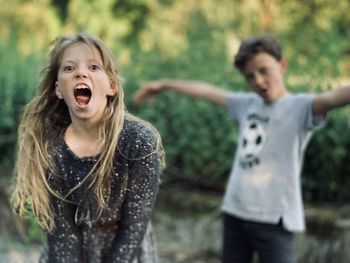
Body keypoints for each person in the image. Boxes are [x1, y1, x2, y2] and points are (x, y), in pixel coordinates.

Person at [132, 34, 350, 263]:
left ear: (282, 65)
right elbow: (205, 91)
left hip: (274, 219)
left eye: (264, 71)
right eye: (250, 77)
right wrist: (165, 84)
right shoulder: (247, 104)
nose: (258, 81)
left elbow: (334, 98)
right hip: (235, 212)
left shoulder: (300, 107)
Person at [12, 32, 165, 263]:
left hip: (126, 251)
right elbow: (62, 234)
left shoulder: (139, 142)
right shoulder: (50, 148)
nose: (80, 73)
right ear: (58, 90)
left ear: (111, 86)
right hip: (68, 250)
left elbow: (133, 229)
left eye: (93, 67)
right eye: (69, 68)